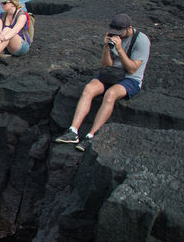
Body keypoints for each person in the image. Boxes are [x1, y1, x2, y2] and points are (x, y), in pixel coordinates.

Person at [54, 13, 150, 152]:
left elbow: (132, 68)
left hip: (130, 78)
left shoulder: (141, 40)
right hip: (111, 74)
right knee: (88, 89)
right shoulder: (113, 36)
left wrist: (119, 49)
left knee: (110, 95)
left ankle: (91, 135)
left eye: (119, 32)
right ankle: (73, 131)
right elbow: (106, 65)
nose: (117, 35)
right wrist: (106, 47)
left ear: (129, 28)